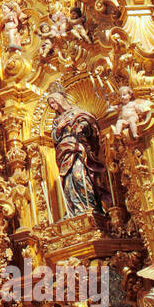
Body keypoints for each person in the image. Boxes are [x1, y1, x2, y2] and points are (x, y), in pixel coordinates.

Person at [47, 86, 113, 218]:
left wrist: (82, 126)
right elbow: (54, 138)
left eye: (53, 102)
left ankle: (90, 206)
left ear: (60, 100)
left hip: (78, 150)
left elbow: (89, 123)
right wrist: (59, 128)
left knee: (79, 176)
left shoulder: (76, 112)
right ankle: (74, 210)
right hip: (64, 153)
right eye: (50, 104)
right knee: (67, 183)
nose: (53, 106)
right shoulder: (56, 121)